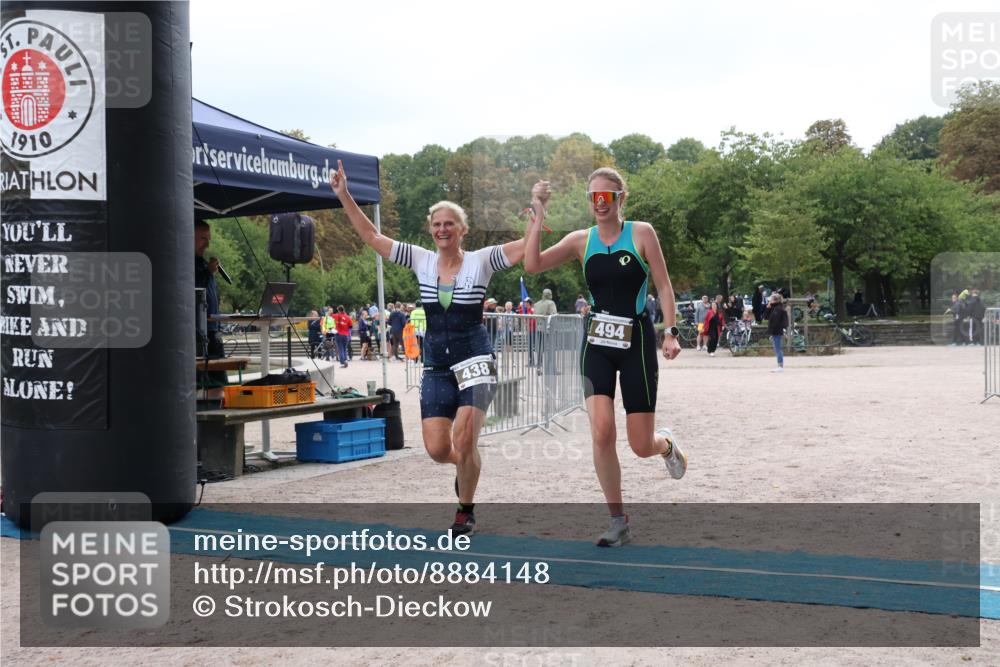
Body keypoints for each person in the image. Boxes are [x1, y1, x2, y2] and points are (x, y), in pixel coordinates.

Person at [330, 159, 524, 535]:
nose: (442, 229)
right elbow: (372, 237)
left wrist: (537, 221)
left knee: (464, 436)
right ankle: (464, 465)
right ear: (430, 230)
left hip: (475, 357)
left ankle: (464, 511)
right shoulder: (421, 260)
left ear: (462, 230)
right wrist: (344, 196)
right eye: (436, 224)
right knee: (438, 449)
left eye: (449, 224)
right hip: (437, 363)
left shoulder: (481, 261)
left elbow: (523, 250)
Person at [524, 167, 686, 547]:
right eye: (593, 197)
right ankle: (618, 520)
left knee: (640, 445)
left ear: (620, 198)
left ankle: (665, 444)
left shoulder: (642, 233)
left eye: (607, 196)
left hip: (636, 342)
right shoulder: (581, 241)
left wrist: (671, 332)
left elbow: (664, 285)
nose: (600, 203)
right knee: (601, 430)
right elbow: (532, 264)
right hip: (596, 341)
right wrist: (538, 214)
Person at [194, 221, 227, 397]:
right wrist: (208, 272)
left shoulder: (202, 263)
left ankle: (218, 408)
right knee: (197, 382)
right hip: (197, 333)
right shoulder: (185, 263)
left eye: (208, 239)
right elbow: (193, 288)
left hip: (213, 330)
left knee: (218, 380)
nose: (207, 244)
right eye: (202, 238)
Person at [765, 293, 788, 372]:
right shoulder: (774, 308)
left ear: (775, 300)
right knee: (776, 349)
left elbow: (776, 322)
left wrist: (772, 331)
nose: (770, 301)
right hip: (775, 331)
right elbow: (766, 317)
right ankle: (779, 365)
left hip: (777, 331)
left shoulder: (778, 309)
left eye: (771, 299)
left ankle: (780, 366)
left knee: (778, 349)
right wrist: (768, 307)